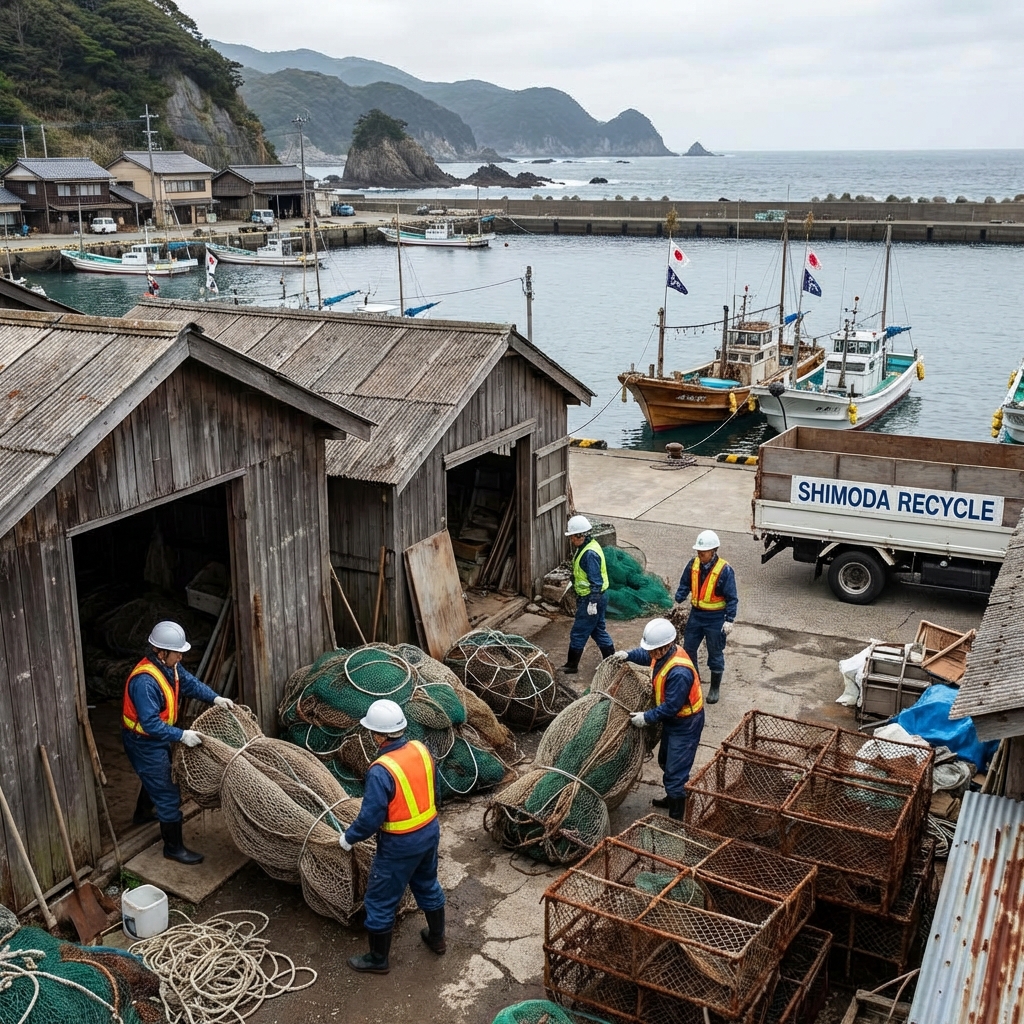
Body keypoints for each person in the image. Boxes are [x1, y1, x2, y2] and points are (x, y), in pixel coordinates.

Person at [340, 699, 446, 975]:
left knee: (380, 898)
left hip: (399, 844)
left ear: (379, 735)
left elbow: (370, 818)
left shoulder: (380, 769)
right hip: (429, 831)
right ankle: (437, 938)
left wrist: (349, 838)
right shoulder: (422, 750)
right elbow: (436, 790)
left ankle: (378, 959)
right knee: (426, 883)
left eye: (371, 732)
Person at [122, 620, 235, 864]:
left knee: (156, 777)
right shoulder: (145, 682)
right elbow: (151, 724)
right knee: (168, 792)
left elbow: (190, 684)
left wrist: (215, 698)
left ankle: (143, 814)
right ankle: (173, 848)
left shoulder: (169, 667)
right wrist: (182, 735)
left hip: (159, 736)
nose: (181, 658)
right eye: (177, 654)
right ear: (161, 653)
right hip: (143, 741)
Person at [609, 617, 704, 819]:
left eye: (654, 650)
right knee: (665, 760)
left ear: (666, 646)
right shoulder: (661, 653)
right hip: (673, 721)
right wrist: (627, 655)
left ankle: (677, 818)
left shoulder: (679, 672)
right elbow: (644, 655)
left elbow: (671, 707)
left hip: (686, 724)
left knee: (676, 772)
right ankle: (672, 797)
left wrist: (647, 717)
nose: (650, 653)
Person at [672, 529, 738, 705]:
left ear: (714, 551)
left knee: (715, 652)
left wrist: (729, 619)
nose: (700, 554)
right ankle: (694, 681)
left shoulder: (724, 570)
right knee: (689, 649)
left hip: (715, 618)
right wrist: (679, 597)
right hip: (696, 615)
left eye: (703, 552)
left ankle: (714, 688)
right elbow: (685, 583)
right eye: (698, 551)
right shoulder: (693, 564)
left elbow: (732, 597)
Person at [560, 514, 615, 674]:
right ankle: (611, 662)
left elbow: (596, 581)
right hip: (596, 597)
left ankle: (571, 665)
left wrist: (592, 602)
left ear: (580, 535)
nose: (571, 540)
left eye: (572, 537)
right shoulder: (587, 546)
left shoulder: (589, 554)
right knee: (598, 631)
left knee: (579, 631)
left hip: (591, 599)